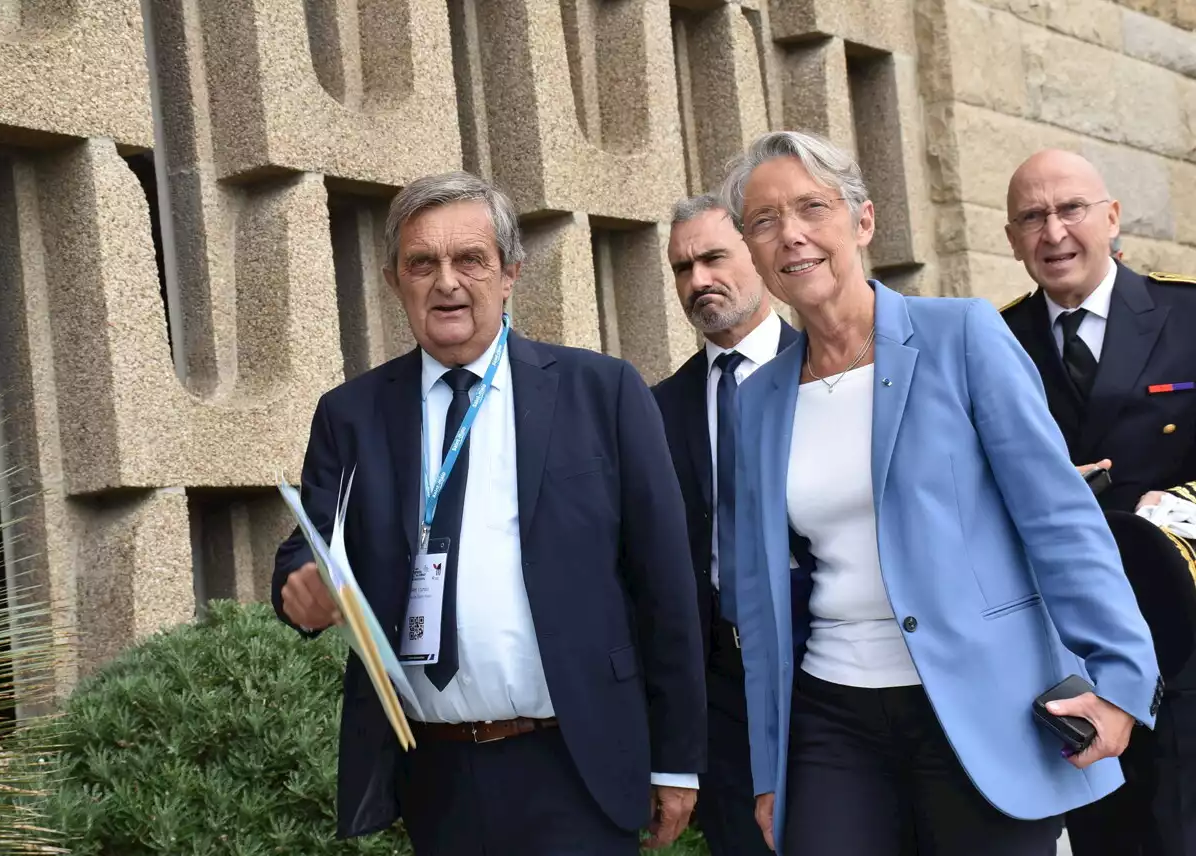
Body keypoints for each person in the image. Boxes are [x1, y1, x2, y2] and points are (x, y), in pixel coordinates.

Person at [719, 130, 1163, 856]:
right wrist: (768, 769)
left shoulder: (963, 335)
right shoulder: (759, 397)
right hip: (834, 716)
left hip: (985, 708)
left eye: (810, 208)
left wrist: (1119, 680)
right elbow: (756, 595)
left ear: (862, 222)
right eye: (764, 221)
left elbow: (1059, 518)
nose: (790, 235)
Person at [271, 171, 706, 855]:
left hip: (574, 761)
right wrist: (300, 585)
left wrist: (677, 758)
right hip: (434, 775)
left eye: (469, 259)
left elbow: (667, 587)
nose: (446, 281)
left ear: (510, 274)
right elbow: (310, 545)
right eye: (423, 263)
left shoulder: (602, 392)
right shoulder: (351, 415)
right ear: (395, 281)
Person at [999, 148, 1196, 856]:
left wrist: (1158, 510)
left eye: (1070, 209)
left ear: (1111, 218)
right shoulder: (994, 342)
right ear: (1012, 239)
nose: (1053, 232)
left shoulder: (1186, 314)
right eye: (1032, 217)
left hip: (1184, 627)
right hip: (1066, 648)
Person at [652, 194, 799, 855]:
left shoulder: (830, 367)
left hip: (826, 665)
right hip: (720, 686)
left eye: (713, 258)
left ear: (757, 255)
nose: (698, 281)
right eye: (682, 268)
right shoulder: (656, 409)